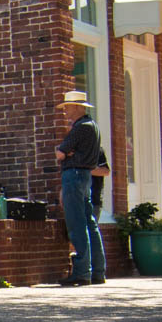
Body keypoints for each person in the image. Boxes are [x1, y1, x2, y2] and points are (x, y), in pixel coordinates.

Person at [54, 90, 106, 286]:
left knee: (77, 224)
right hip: (85, 177)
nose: (66, 111)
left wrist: (65, 153)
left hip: (74, 175)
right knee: (90, 223)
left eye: (68, 107)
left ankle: (82, 271)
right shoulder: (93, 126)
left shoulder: (80, 127)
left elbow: (60, 153)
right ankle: (97, 271)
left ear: (77, 107)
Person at [91, 147, 110, 221]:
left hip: (94, 200)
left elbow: (106, 171)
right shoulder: (74, 148)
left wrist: (84, 171)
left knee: (91, 229)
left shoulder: (97, 150)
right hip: (75, 199)